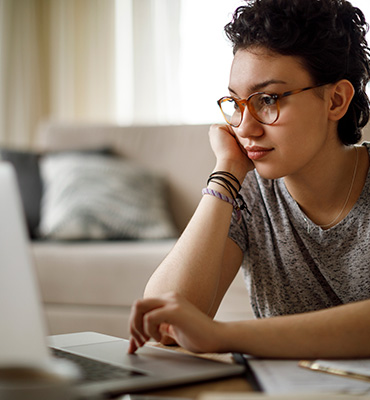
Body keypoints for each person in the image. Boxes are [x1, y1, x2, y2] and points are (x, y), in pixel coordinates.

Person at [129, 0, 370, 358]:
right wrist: (226, 171)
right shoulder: (248, 193)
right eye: (237, 103)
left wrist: (224, 335)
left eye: (268, 99)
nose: (245, 126)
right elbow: (163, 322)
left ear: (336, 100)